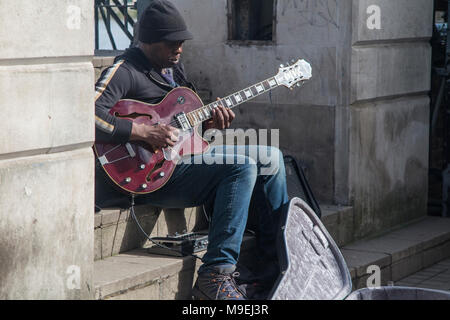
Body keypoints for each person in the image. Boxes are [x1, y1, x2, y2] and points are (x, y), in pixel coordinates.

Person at [95, 0, 289, 300]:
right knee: (241, 166)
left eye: (182, 42)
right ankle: (215, 274)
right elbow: (88, 114)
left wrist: (208, 127)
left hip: (181, 161)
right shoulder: (125, 70)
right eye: (172, 42)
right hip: (147, 175)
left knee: (271, 158)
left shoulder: (175, 71)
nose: (179, 48)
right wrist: (143, 131)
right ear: (148, 42)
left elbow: (184, 133)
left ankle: (273, 261)